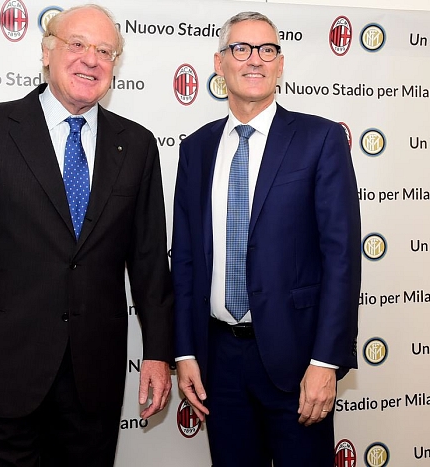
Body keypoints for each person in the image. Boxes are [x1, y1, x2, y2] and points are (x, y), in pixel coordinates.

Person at [0, 5, 173, 466]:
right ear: (47, 52)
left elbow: (150, 261)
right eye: (77, 44)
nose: (90, 59)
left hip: (93, 381)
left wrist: (158, 353)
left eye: (105, 51)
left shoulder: (136, 144)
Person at [171, 11, 361, 467]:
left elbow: (341, 259)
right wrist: (185, 350)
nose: (254, 59)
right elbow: (186, 259)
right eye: (241, 49)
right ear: (219, 63)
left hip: (297, 361)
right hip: (218, 361)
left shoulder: (320, 139)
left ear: (280, 64)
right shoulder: (196, 148)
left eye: (267, 49)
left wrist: (325, 362)